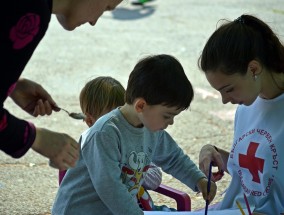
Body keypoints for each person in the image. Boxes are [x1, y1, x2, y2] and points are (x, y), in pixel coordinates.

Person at [52, 54, 217, 215]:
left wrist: (199, 180)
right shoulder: (105, 133)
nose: (171, 122)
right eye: (167, 116)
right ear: (141, 106)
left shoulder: (152, 129)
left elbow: (173, 158)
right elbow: (110, 188)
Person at [1, 0, 122, 170]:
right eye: (107, 7)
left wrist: (13, 85)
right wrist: (38, 139)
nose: (94, 21)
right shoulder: (31, 12)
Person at [198, 14, 284, 214]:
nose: (225, 100)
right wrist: (214, 152)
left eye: (228, 89)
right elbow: (253, 172)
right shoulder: (247, 105)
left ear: (253, 68)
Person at [58, 76, 163, 210]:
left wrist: (135, 171)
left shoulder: (131, 142)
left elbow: (155, 178)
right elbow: (108, 187)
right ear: (90, 121)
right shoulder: (93, 144)